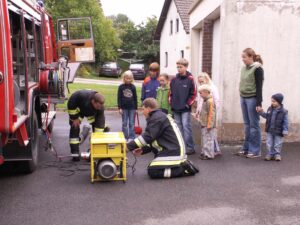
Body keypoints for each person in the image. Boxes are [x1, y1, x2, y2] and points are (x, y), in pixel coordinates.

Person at [127, 98, 199, 179]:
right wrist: (143, 150)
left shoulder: (157, 118)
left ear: (148, 109)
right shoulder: (158, 116)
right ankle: (181, 166)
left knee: (153, 171)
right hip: (172, 150)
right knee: (153, 168)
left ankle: (183, 169)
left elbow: (148, 137)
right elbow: (154, 139)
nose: (142, 112)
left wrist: (128, 147)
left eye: (143, 109)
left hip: (173, 152)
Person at [237, 48, 264, 158]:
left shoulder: (257, 69)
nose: (242, 59)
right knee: (247, 125)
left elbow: (259, 87)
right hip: (243, 97)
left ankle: (255, 150)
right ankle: (246, 148)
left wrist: (259, 103)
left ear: (251, 57)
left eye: (244, 57)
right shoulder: (244, 68)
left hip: (252, 99)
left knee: (254, 125)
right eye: (242, 57)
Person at [67, 90, 106, 161]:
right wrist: (74, 118)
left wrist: (99, 134)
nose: (99, 108)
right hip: (78, 110)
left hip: (91, 113)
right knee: (74, 127)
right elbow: (71, 104)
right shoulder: (80, 96)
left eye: (100, 106)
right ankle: (75, 153)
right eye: (97, 106)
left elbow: (99, 123)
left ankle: (94, 153)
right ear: (93, 101)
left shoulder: (100, 108)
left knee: (98, 133)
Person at [169, 58, 197, 155]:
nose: (179, 69)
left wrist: (187, 104)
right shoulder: (174, 79)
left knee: (186, 126)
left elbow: (193, 94)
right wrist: (171, 102)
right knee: (178, 128)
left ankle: (190, 147)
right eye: (177, 67)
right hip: (175, 107)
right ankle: (181, 146)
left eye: (181, 67)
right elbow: (171, 93)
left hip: (185, 108)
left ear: (186, 67)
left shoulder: (190, 79)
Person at [195, 72, 221, 156]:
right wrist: (197, 111)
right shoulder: (201, 89)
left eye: (202, 81)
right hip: (203, 112)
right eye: (200, 82)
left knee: (210, 133)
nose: (201, 83)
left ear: (207, 79)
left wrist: (213, 111)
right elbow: (200, 101)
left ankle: (212, 151)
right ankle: (212, 150)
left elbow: (216, 100)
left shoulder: (212, 88)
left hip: (210, 112)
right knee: (206, 133)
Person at [258, 93, 288, 161]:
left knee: (278, 143)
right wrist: (261, 112)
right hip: (270, 130)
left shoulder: (284, 111)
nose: (272, 103)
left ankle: (277, 154)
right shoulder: (270, 109)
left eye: (274, 101)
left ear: (279, 102)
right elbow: (266, 116)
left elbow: (285, 122)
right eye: (272, 101)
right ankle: (270, 154)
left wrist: (285, 130)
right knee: (269, 142)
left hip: (279, 130)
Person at [198, 85, 219, 160]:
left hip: (208, 125)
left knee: (209, 140)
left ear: (206, 92)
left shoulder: (210, 101)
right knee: (205, 139)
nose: (200, 95)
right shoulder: (206, 100)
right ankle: (205, 153)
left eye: (201, 93)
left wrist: (209, 125)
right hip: (204, 124)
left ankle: (209, 155)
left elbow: (211, 114)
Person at [118, 70, 138, 142]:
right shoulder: (121, 87)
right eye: (127, 78)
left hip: (132, 108)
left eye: (130, 78)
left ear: (132, 79)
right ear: (124, 78)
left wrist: (136, 108)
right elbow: (119, 98)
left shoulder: (133, 87)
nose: (128, 80)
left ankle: (132, 137)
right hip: (124, 108)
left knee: (132, 123)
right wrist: (119, 108)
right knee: (124, 123)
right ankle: (125, 136)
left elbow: (135, 97)